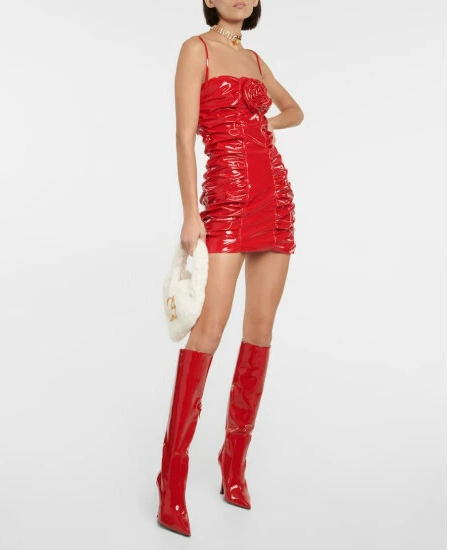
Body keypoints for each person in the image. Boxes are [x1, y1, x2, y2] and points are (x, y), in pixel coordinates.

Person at [156, 0, 304, 537]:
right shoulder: (195, 50)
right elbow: (183, 137)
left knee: (260, 330)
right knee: (208, 331)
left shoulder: (258, 61)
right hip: (226, 199)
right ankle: (171, 478)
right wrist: (190, 213)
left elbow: (295, 111)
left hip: (275, 198)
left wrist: (264, 125)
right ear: (209, 0)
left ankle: (233, 463)